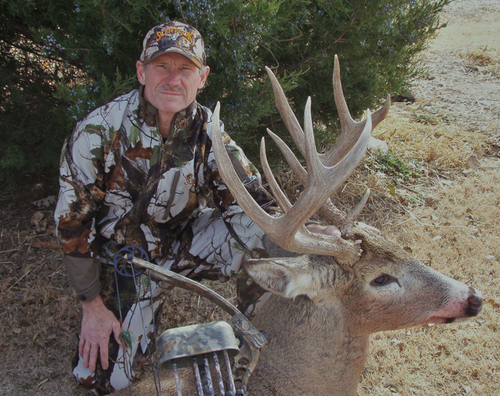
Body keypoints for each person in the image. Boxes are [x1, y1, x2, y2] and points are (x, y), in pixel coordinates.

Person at [55, 20, 337, 394]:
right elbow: (73, 225)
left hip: (185, 242)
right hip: (125, 261)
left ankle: (265, 330)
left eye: (185, 69)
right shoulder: (98, 132)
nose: (173, 79)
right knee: (101, 380)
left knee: (261, 234)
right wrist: (92, 305)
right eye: (162, 67)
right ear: (142, 71)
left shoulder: (210, 133)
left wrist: (307, 234)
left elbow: (257, 206)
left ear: (201, 78)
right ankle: (129, 313)